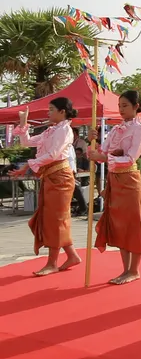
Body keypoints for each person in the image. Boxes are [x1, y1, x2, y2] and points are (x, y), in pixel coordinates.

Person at [10, 97, 80, 276]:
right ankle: (71, 255)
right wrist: (24, 123)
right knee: (53, 218)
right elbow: (27, 142)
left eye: (51, 110)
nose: (48, 113)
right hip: (50, 176)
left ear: (62, 111)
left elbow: (53, 154)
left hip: (61, 177)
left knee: (56, 219)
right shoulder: (51, 130)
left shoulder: (65, 130)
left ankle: (52, 263)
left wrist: (29, 165)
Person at [89, 91, 141, 285]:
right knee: (120, 224)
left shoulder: (140, 130)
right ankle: (125, 269)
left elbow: (130, 158)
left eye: (125, 105)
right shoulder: (115, 130)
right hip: (114, 179)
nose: (121, 109)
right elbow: (101, 152)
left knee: (132, 223)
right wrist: (93, 140)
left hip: (129, 179)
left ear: (136, 106)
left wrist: (104, 157)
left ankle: (135, 269)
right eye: (120, 106)